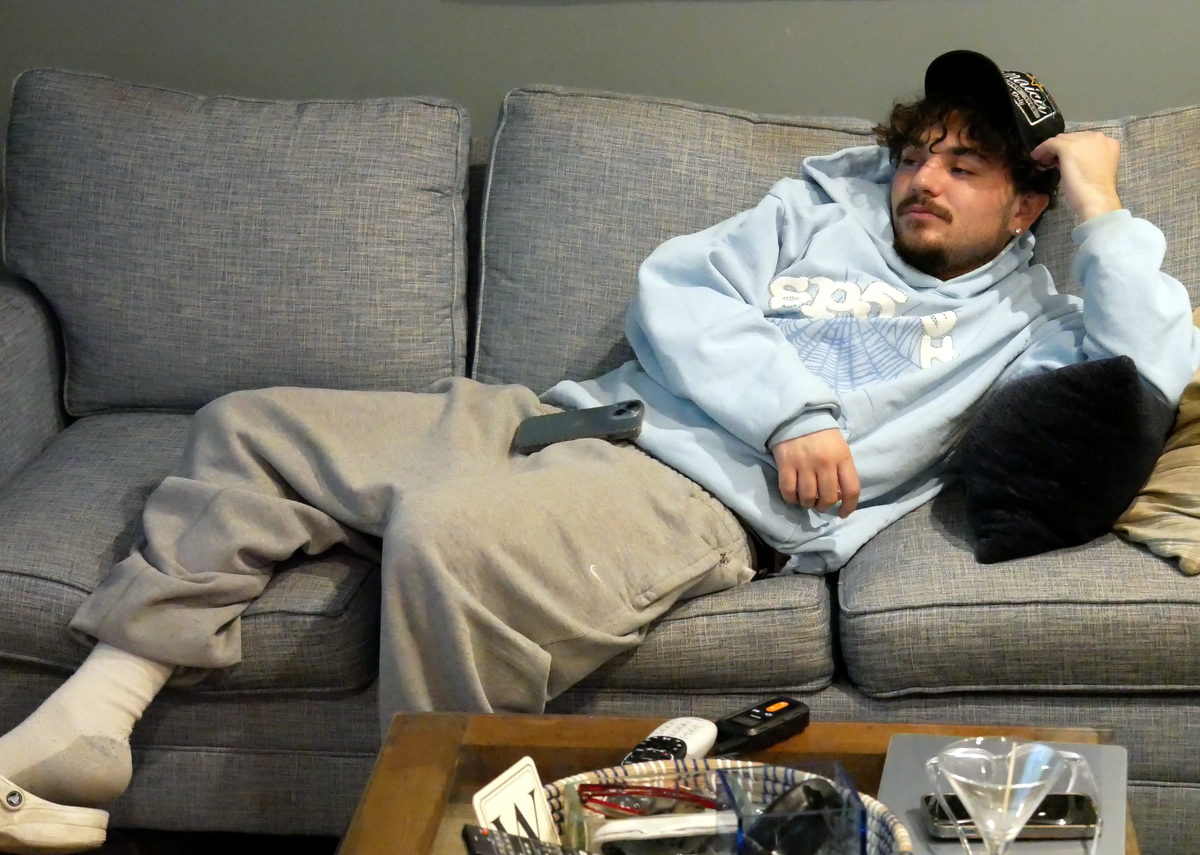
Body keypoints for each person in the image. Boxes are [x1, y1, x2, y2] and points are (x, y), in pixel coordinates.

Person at [2, 50, 1198, 852]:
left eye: (965, 166)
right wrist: (794, 410)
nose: (922, 179)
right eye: (918, 152)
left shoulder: (1031, 323)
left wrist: (1098, 199)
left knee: (449, 540)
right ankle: (98, 720)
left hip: (693, 496)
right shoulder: (820, 205)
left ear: (1024, 203)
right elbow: (677, 290)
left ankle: (445, 833)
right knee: (249, 420)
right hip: (570, 415)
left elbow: (1152, 363)